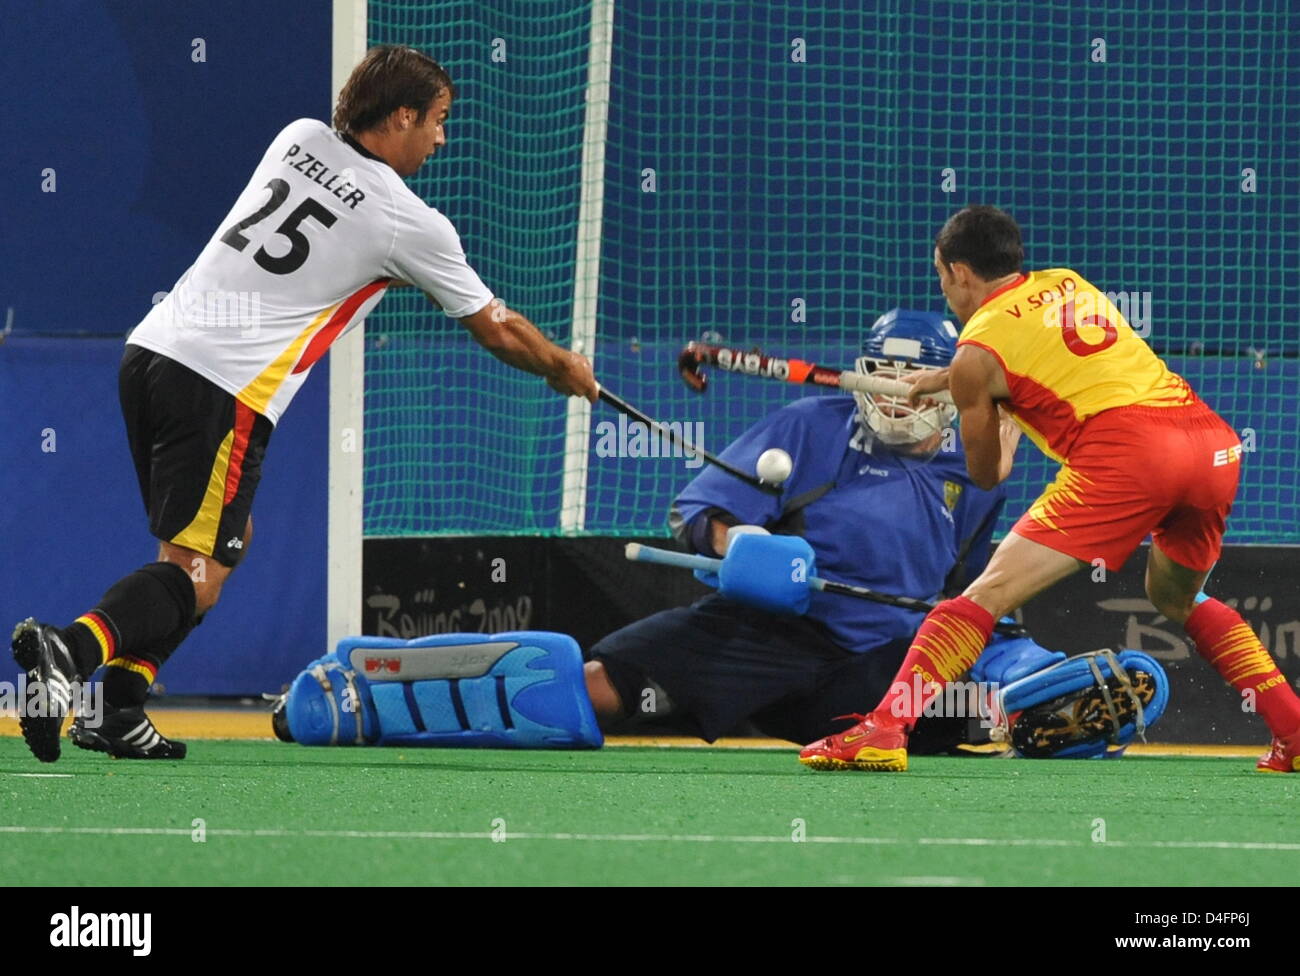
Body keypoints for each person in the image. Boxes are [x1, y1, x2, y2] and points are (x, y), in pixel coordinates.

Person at [12, 45, 597, 763]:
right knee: (198, 578)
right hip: (221, 388)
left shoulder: (298, 138)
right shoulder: (410, 223)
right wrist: (562, 366)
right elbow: (499, 329)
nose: (442, 138)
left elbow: (333, 243)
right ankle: (69, 652)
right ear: (404, 114)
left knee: (217, 547)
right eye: (438, 120)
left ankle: (119, 708)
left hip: (150, 356)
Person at [800, 205, 1300, 773]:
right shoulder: (1066, 282)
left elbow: (986, 474)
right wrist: (954, 382)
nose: (944, 291)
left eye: (941, 276)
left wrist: (990, 412)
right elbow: (1046, 357)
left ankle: (885, 728)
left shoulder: (974, 353)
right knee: (1175, 598)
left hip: (1128, 455)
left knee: (981, 599)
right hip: (1209, 445)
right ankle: (1293, 729)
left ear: (960, 272)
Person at [583, 309, 1019, 748]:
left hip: (883, 666)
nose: (895, 397)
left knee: (1003, 712)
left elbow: (965, 592)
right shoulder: (811, 424)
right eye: (885, 377)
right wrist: (740, 541)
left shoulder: (976, 474)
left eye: (912, 380)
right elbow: (696, 511)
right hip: (768, 637)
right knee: (596, 688)